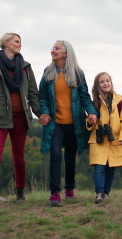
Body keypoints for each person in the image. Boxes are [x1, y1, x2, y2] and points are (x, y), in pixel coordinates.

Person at [0, 32, 41, 212]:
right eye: (16, 41)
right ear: (6, 43)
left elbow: (33, 94)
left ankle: (20, 194)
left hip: (21, 117)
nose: (20, 44)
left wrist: (41, 114)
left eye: (20, 42)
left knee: (19, 158)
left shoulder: (26, 67)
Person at [38, 40, 97, 207]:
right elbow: (42, 96)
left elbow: (85, 96)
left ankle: (69, 189)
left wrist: (91, 112)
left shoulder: (77, 73)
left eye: (55, 48)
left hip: (74, 123)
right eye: (52, 48)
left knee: (70, 156)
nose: (52, 51)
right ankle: (55, 194)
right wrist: (44, 111)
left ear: (65, 53)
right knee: (55, 155)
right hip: (55, 123)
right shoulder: (48, 72)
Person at [87, 72, 122, 204]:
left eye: (107, 81)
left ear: (111, 83)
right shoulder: (93, 102)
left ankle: (106, 192)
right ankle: (99, 193)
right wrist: (90, 122)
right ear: (97, 85)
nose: (105, 83)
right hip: (98, 138)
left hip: (115, 139)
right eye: (102, 82)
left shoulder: (119, 101)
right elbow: (88, 119)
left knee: (111, 167)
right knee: (99, 166)